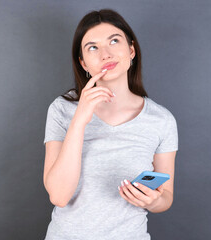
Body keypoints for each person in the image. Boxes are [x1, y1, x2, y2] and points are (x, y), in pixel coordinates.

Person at [43, 8, 178, 240]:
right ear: (83, 63)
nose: (105, 54)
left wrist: (154, 201)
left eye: (114, 41)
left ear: (131, 49)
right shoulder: (62, 109)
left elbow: (165, 198)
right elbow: (59, 196)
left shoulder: (162, 120)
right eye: (92, 47)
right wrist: (80, 120)